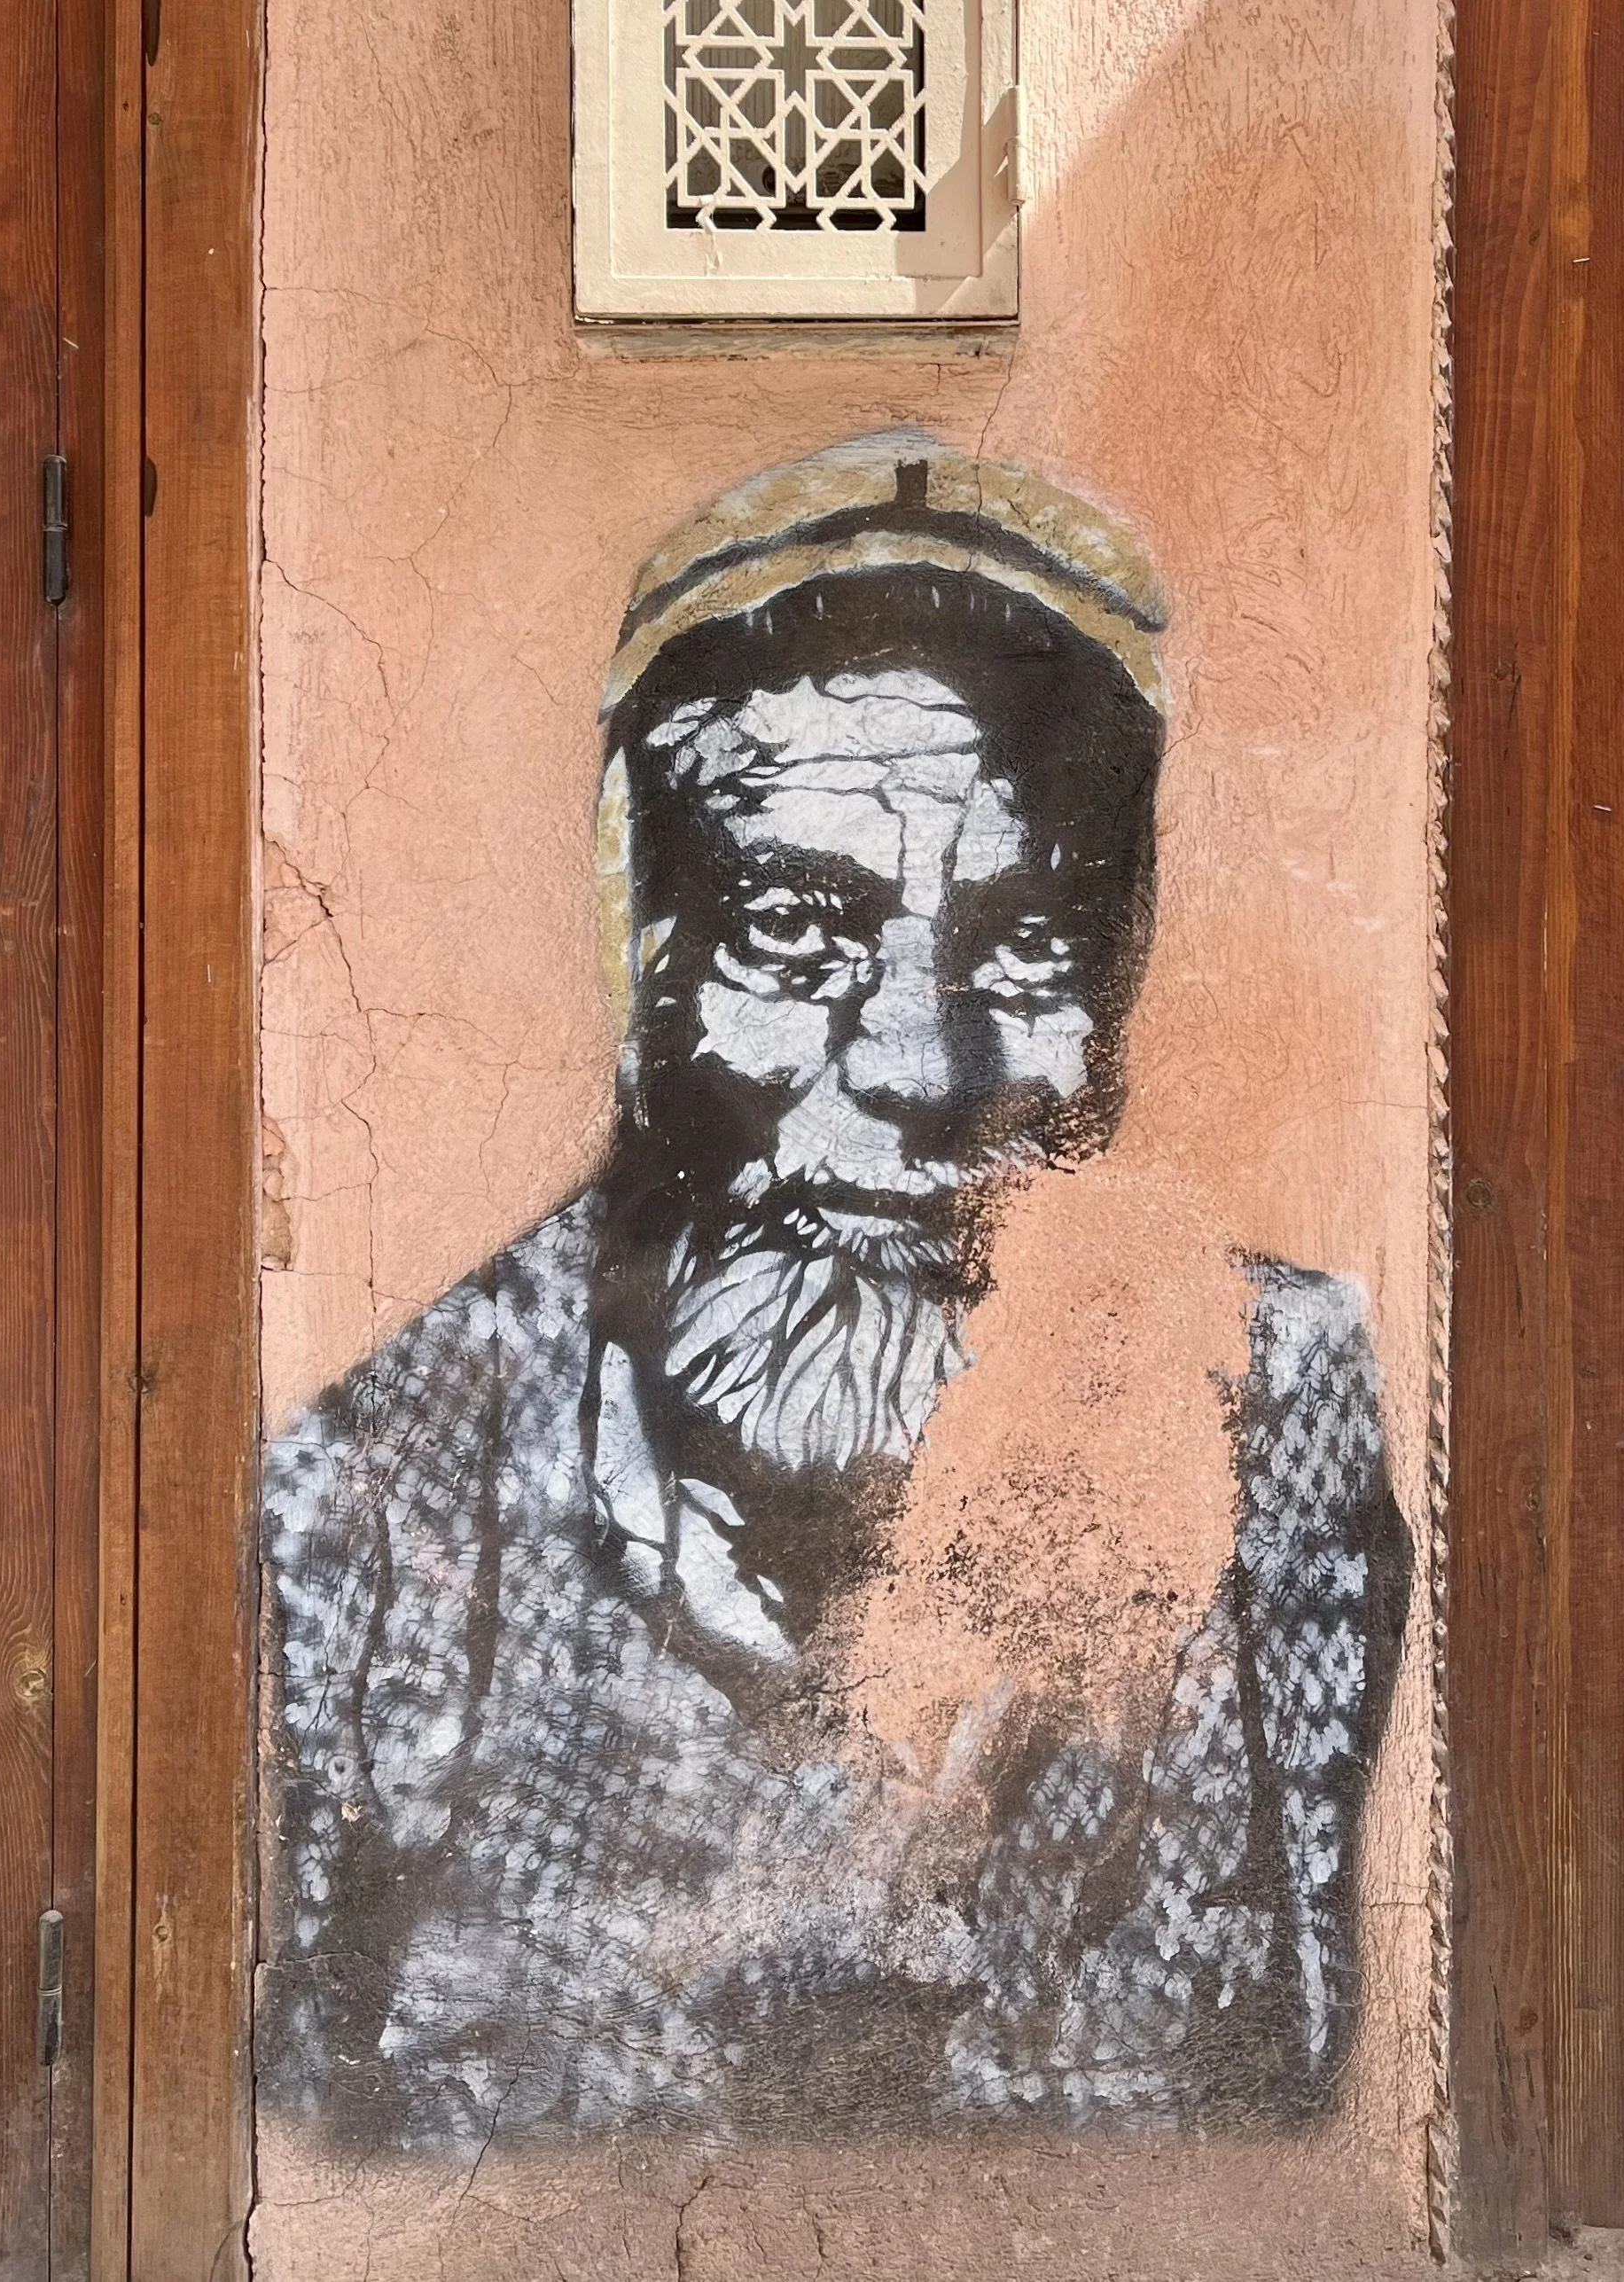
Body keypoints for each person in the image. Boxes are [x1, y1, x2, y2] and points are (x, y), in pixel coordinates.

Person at [262, 434, 1411, 2149]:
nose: (921, 1068)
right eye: (796, 934)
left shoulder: (1285, 1423)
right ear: (641, 960)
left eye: (1029, 944)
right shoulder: (363, 1502)